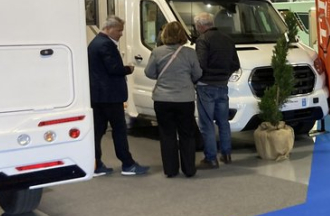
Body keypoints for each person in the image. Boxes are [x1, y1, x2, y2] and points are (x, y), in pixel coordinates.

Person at [88, 16, 149, 176]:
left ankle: (95, 163)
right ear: (108, 29)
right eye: (119, 30)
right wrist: (128, 69)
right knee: (119, 130)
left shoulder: (94, 43)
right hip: (111, 96)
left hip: (98, 95)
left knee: (98, 131)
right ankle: (127, 164)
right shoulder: (106, 44)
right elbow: (113, 69)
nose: (121, 34)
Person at [145, 22, 202, 178]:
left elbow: (149, 73)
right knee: (187, 134)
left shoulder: (157, 52)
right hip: (184, 99)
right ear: (182, 35)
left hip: (162, 99)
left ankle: (170, 170)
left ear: (164, 34)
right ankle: (189, 169)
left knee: (167, 134)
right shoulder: (190, 53)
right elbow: (198, 73)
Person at [194, 12, 241, 169]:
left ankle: (211, 158)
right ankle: (226, 154)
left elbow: (200, 64)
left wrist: (197, 79)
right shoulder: (227, 38)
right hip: (222, 85)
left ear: (200, 26)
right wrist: (224, 75)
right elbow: (235, 63)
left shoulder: (202, 39)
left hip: (206, 86)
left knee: (207, 123)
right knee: (223, 121)